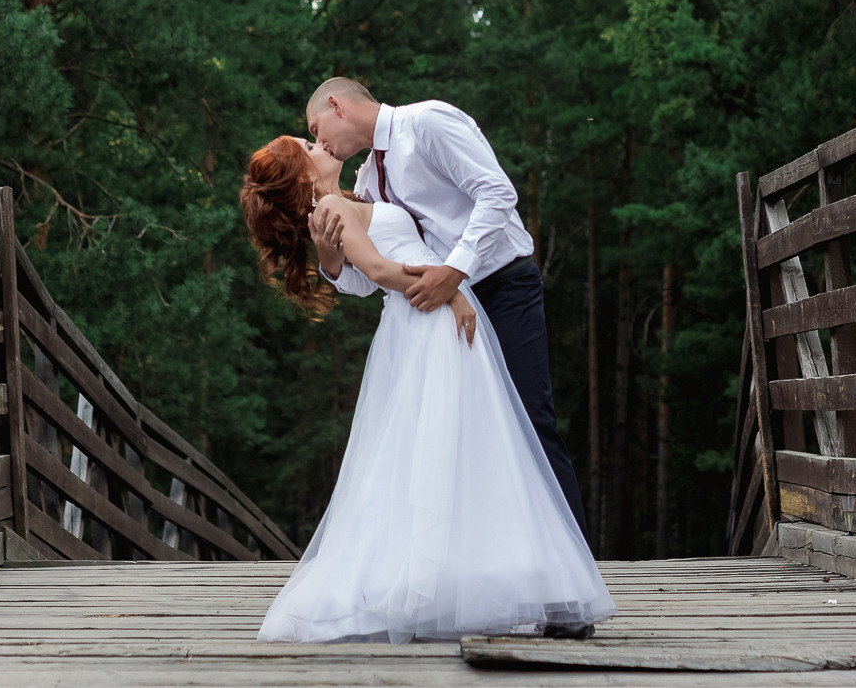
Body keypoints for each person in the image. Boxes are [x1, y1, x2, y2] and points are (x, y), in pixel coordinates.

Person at [240, 135, 613, 643]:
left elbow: (369, 269)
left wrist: (338, 264)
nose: (317, 140)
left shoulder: (347, 197)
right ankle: (472, 581)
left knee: (449, 448)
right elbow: (374, 271)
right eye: (307, 143)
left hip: (422, 316)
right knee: (461, 444)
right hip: (428, 314)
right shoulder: (329, 205)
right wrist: (451, 290)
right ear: (303, 173)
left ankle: (461, 578)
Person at [305, 77, 589, 539]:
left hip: (502, 286)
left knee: (531, 423)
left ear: (337, 106)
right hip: (445, 316)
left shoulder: (427, 122)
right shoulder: (366, 180)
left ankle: (572, 586)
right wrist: (331, 262)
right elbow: (373, 276)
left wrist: (455, 271)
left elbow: (497, 193)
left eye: (318, 130)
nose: (322, 144)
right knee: (471, 442)